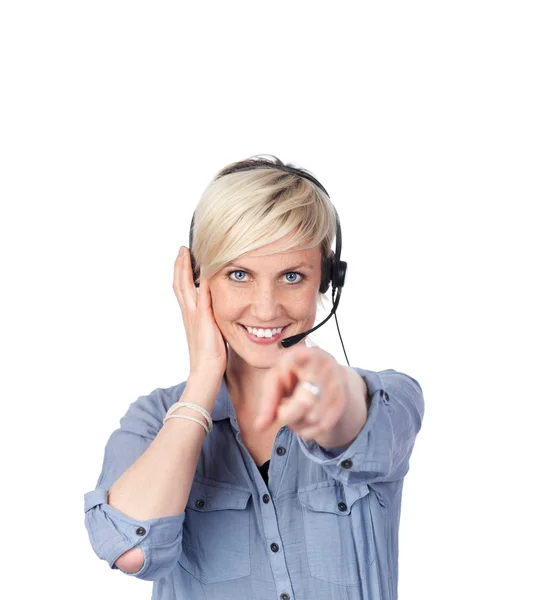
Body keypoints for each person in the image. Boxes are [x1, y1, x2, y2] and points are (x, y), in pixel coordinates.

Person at [83, 154, 425, 600]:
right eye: (239, 274)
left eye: (291, 276)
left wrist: (334, 396)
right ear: (196, 280)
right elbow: (130, 549)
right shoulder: (152, 421)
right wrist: (205, 375)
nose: (266, 308)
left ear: (327, 280)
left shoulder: (389, 399)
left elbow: (354, 422)